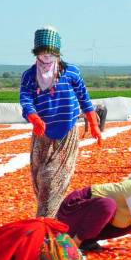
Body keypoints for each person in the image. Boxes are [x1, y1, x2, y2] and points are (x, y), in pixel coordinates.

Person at [19, 26, 102, 218]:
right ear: (36, 52)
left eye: (51, 51)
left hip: (67, 134)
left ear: (57, 52)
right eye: (43, 50)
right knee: (40, 180)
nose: (46, 55)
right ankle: (52, 219)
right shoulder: (30, 75)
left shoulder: (71, 72)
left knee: (52, 179)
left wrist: (95, 125)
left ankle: (46, 228)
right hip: (42, 134)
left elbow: (84, 97)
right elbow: (26, 99)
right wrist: (34, 117)